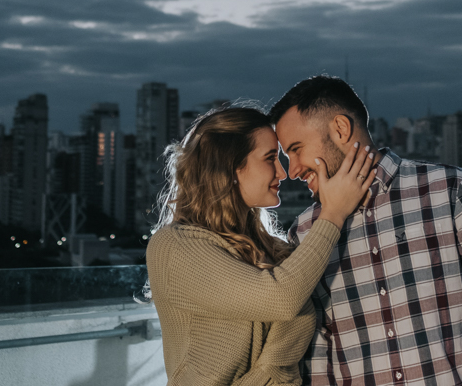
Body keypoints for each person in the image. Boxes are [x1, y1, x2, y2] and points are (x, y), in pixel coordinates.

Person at [271, 76, 462, 386]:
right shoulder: (305, 232)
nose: (292, 170)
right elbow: (318, 344)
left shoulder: (449, 189)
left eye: (296, 149)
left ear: (340, 129)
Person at [146, 105, 377, 386]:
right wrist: (332, 215)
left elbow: (291, 315)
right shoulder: (172, 247)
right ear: (229, 166)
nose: (283, 173)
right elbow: (282, 298)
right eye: (270, 158)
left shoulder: (273, 250)